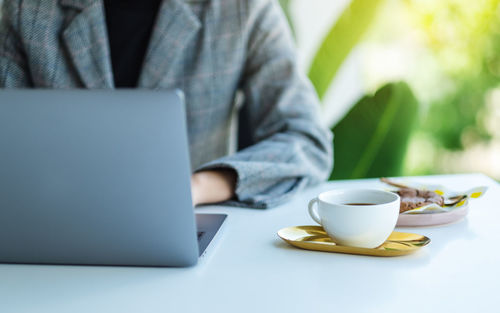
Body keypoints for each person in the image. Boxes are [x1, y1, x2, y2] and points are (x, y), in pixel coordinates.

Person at [0, 0, 333, 208]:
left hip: (190, 232)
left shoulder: (241, 9)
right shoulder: (27, 11)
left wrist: (198, 187)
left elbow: (306, 142)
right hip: (57, 232)